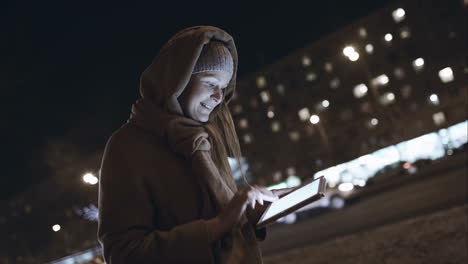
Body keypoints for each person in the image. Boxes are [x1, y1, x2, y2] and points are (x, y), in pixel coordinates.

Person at [98, 25, 291, 264]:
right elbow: (123, 253)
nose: (219, 97)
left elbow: (224, 221)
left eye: (223, 87)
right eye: (211, 83)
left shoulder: (204, 138)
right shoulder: (127, 146)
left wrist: (248, 214)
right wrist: (219, 225)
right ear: (178, 81)